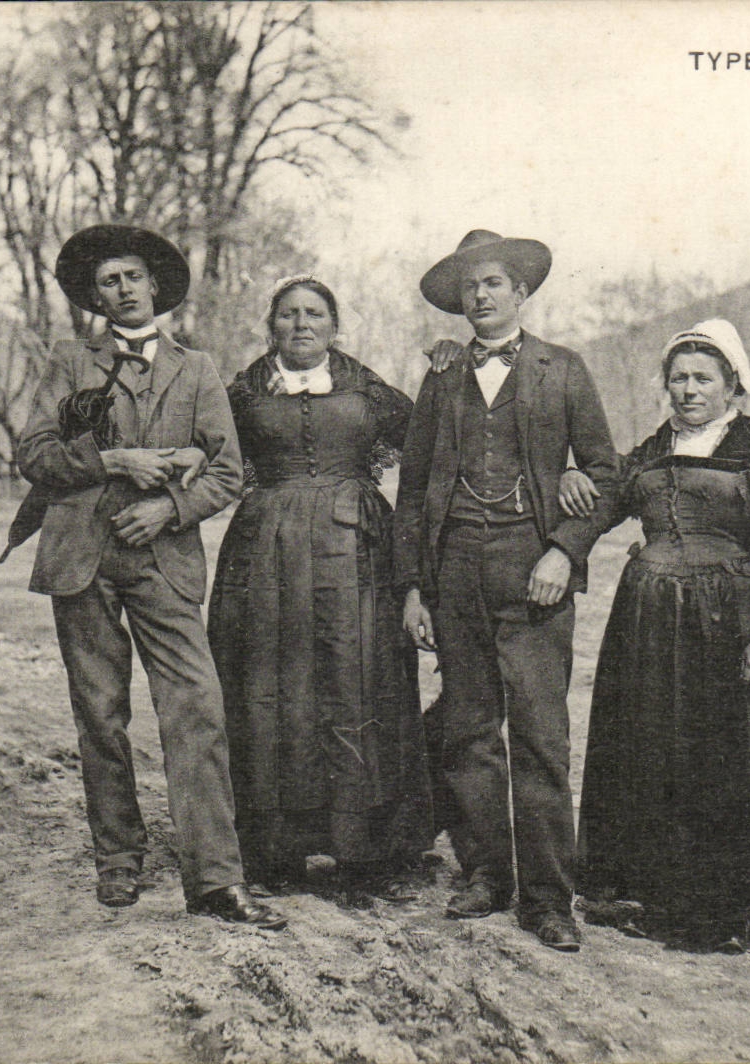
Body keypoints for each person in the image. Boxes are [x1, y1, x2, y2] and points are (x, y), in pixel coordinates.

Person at [13, 223, 285, 929]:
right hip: (81, 556)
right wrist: (110, 462)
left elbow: (227, 469)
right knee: (101, 714)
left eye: (133, 276)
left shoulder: (195, 370)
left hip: (163, 559)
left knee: (196, 708)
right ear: (94, 296)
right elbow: (34, 452)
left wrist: (167, 508)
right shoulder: (70, 360)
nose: (124, 290)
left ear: (156, 285)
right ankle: (119, 860)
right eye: (109, 281)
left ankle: (217, 879)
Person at [572, 319, 750, 949]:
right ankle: (651, 895)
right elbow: (595, 509)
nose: (690, 390)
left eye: (704, 379)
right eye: (679, 379)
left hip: (730, 625)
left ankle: (732, 909)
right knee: (650, 750)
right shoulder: (647, 454)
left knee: (726, 761)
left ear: (733, 386)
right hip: (647, 624)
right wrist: (570, 488)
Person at [393, 230, 618, 952]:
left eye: (492, 283)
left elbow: (605, 474)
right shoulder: (442, 378)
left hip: (533, 571)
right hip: (453, 567)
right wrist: (412, 589)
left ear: (520, 292)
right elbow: (412, 488)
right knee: (467, 731)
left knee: (540, 736)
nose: (481, 296)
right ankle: (486, 872)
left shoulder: (563, 369)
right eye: (469, 287)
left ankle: (549, 897)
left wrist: (563, 549)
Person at [208, 276, 432, 903]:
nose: (301, 325)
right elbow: (201, 451)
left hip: (357, 553)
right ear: (271, 327)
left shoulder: (371, 392)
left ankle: (367, 852)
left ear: (335, 327)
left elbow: (433, 447)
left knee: (359, 680)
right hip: (265, 555)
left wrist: (445, 366)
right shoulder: (240, 395)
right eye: (287, 315)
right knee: (269, 688)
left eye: (314, 315)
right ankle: (274, 850)